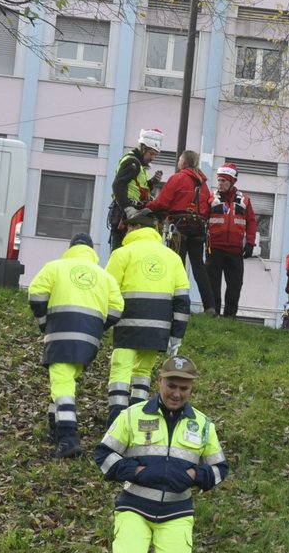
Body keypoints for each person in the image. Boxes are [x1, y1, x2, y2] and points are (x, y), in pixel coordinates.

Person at [94, 354, 229, 553]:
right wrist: (137, 472)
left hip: (177, 514)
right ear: (160, 382)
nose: (176, 393)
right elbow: (103, 455)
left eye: (184, 388)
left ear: (191, 389)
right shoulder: (131, 415)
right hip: (134, 507)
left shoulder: (203, 425)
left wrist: (197, 475)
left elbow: (221, 468)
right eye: (172, 385)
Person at [29, 233, 124, 457]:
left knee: (62, 384)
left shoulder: (55, 267)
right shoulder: (104, 276)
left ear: (71, 248)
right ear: (92, 251)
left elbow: (36, 294)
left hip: (61, 332)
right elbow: (117, 307)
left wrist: (44, 322)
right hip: (89, 340)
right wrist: (98, 328)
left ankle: (67, 437)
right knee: (65, 380)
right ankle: (55, 424)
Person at [104, 208, 192, 426]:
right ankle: (136, 421)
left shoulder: (122, 254)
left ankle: (116, 421)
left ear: (136, 227)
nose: (124, 232)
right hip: (159, 328)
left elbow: (106, 291)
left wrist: (103, 322)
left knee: (121, 370)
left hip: (127, 324)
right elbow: (182, 301)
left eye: (128, 227)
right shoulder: (172, 257)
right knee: (143, 372)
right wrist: (177, 335)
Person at [148, 149, 217, 314]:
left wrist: (146, 207)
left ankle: (174, 303)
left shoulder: (177, 178)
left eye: (180, 159)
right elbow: (207, 207)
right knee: (198, 267)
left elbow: (162, 202)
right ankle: (210, 306)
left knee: (175, 266)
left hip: (179, 226)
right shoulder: (203, 184)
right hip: (199, 227)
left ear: (184, 162)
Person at [204, 162, 257, 317]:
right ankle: (213, 314)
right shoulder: (211, 198)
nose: (220, 184)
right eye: (219, 180)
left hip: (235, 250)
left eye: (223, 181)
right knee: (213, 283)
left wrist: (250, 243)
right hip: (214, 248)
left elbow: (252, 222)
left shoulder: (244, 200)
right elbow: (203, 219)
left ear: (232, 181)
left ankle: (230, 316)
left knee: (235, 284)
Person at [109, 129, 164, 250]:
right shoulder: (132, 162)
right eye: (151, 153)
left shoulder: (138, 164)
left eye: (155, 154)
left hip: (131, 213)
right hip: (126, 214)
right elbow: (118, 185)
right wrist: (128, 209)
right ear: (143, 148)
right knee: (120, 251)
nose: (153, 157)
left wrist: (152, 182)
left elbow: (137, 189)